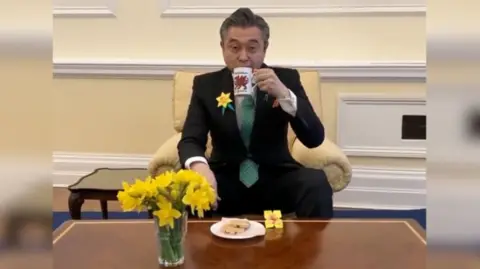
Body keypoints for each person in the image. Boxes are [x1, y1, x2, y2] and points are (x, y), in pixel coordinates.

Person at [178, 7, 334, 218]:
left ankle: (310, 250)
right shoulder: (206, 85)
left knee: (315, 182)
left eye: (252, 48)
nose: (244, 57)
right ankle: (189, 250)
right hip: (224, 181)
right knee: (181, 186)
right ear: (223, 47)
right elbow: (190, 139)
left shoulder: (286, 79)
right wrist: (200, 168)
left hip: (276, 178)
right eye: (234, 47)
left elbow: (314, 138)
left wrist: (285, 95)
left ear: (265, 48)